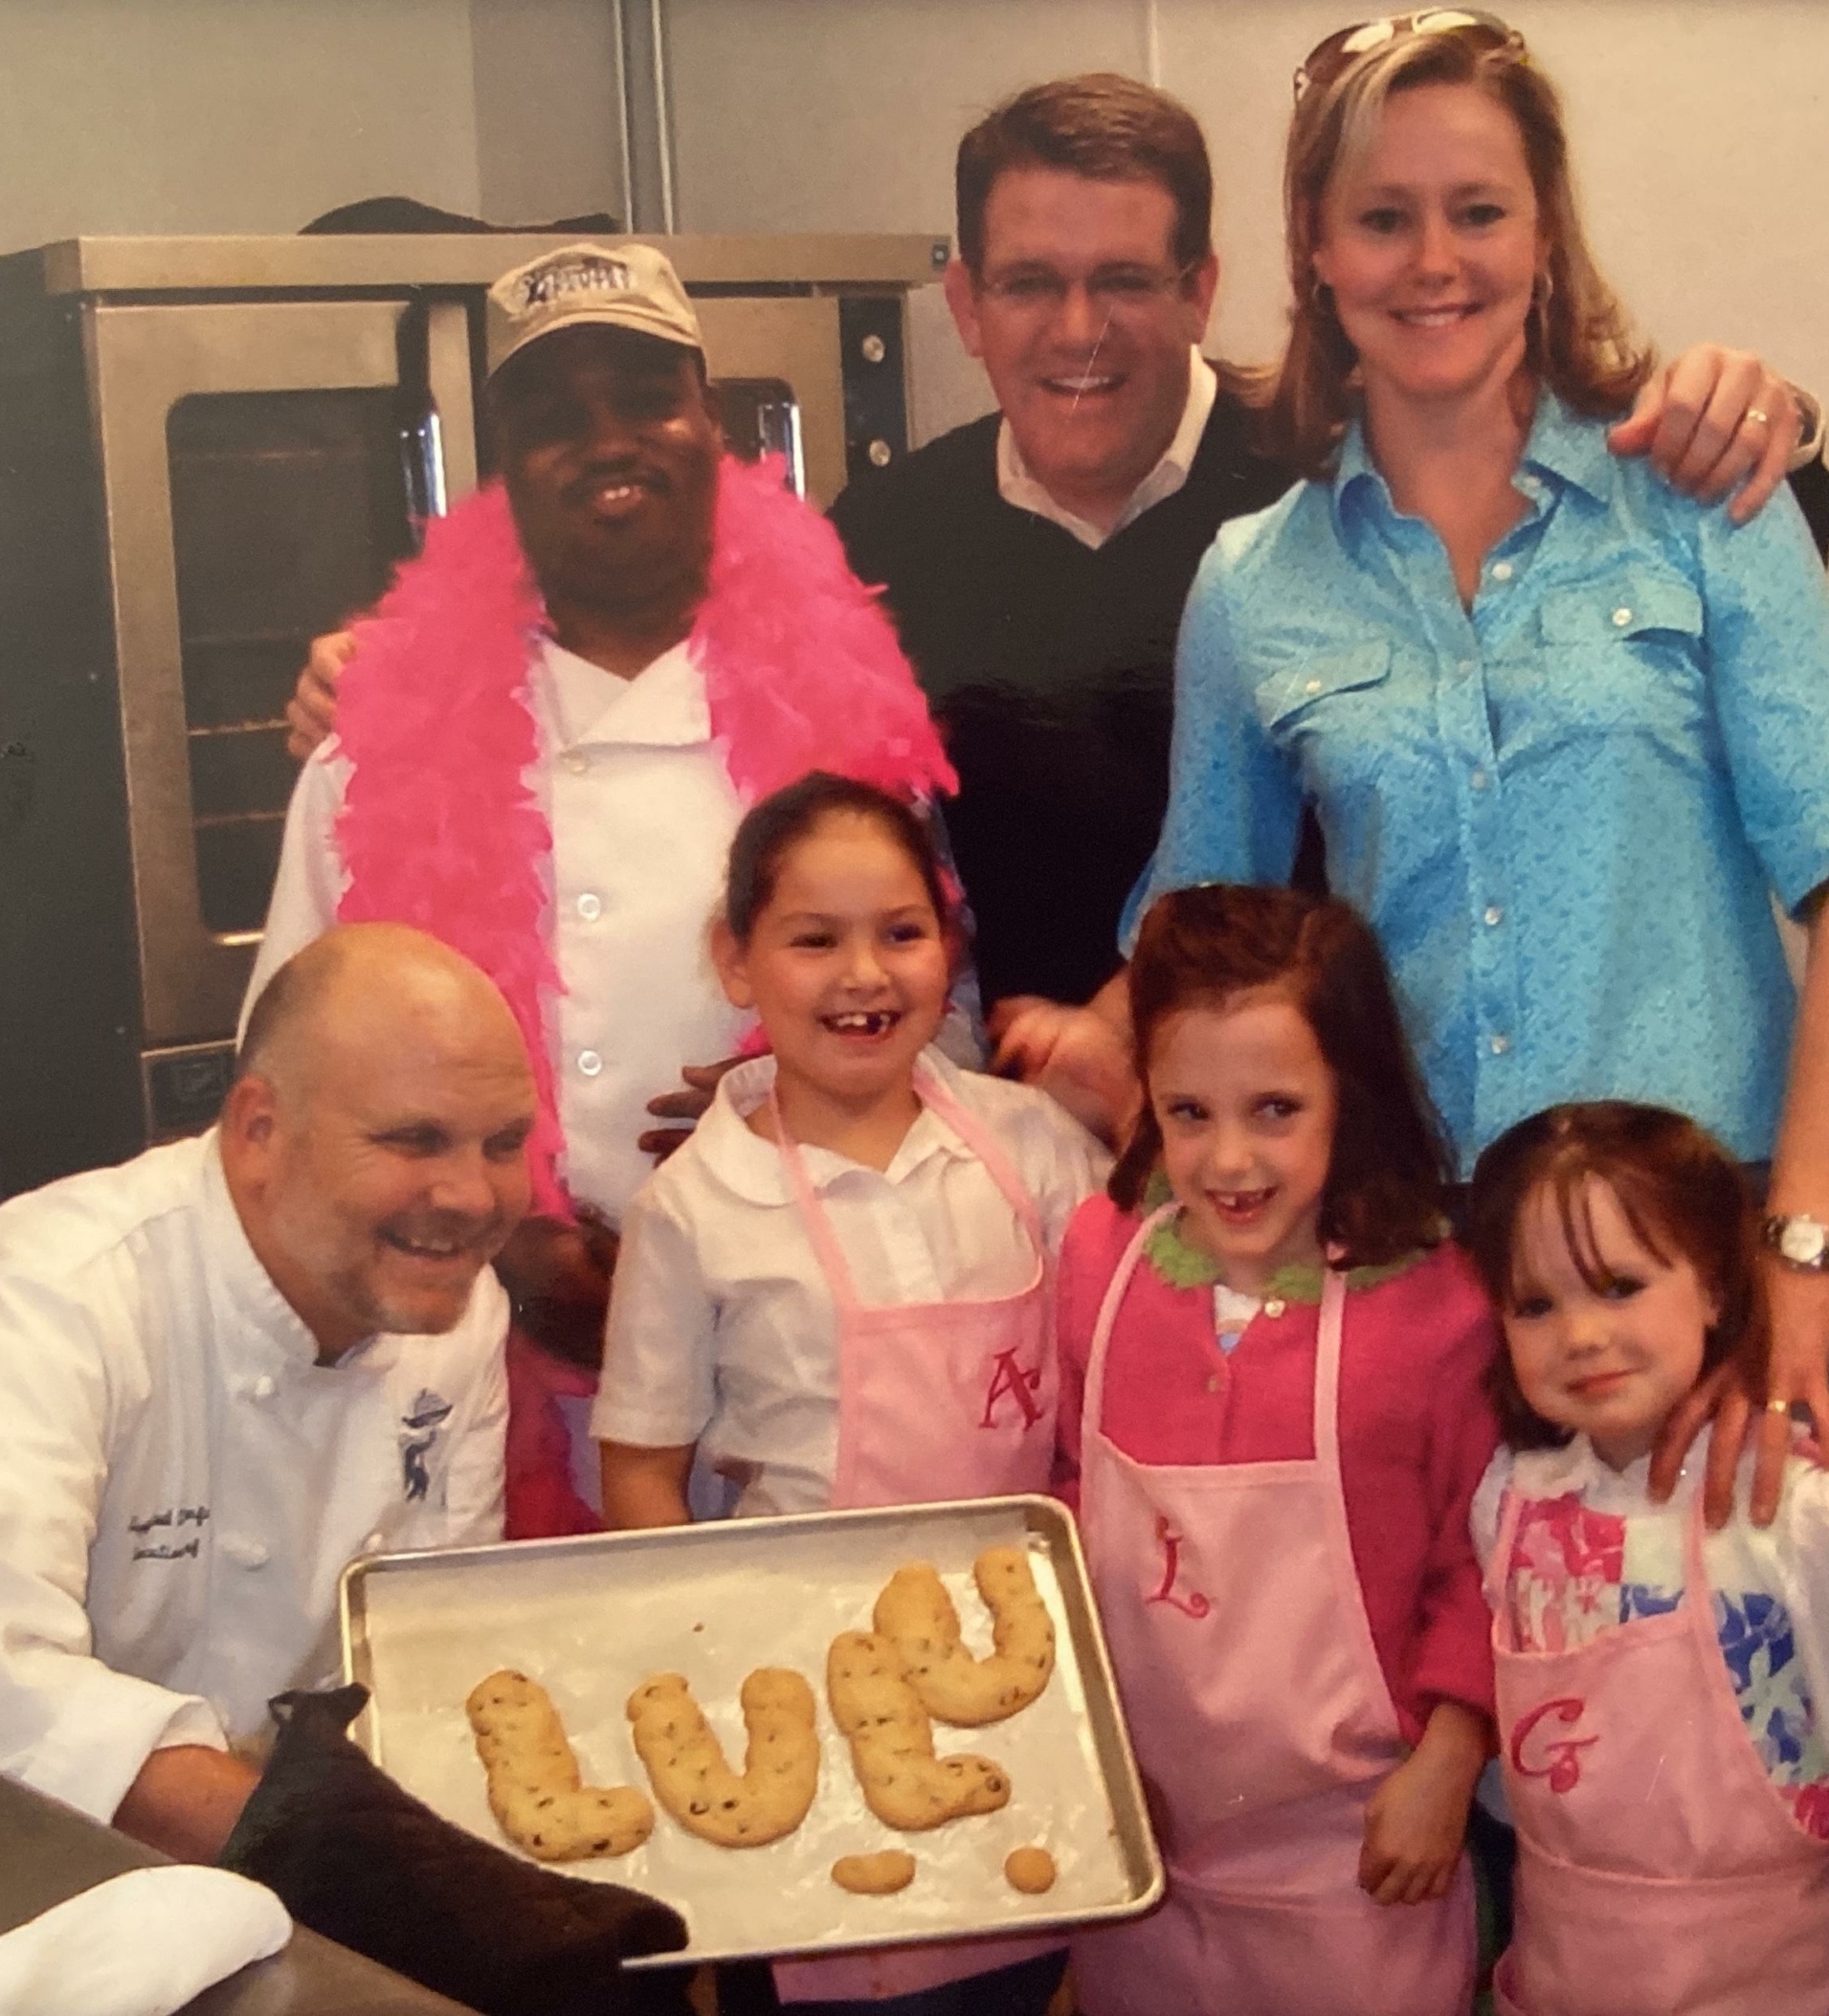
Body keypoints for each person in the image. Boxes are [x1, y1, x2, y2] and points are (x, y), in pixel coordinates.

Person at [284, 80, 1822, 1070]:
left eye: (1125, 282)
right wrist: (402, 655)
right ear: (961, 300)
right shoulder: (879, 542)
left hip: (1325, 1151)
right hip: (1007, 1145)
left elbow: (1673, 515)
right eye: (1028, 283)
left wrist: (1780, 420)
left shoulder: (1328, 481)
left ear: (1204, 288)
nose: (1075, 331)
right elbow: (641, 595)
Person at [1030, 12, 1829, 1527]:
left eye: (1478, 210)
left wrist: (1798, 1258)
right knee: (1457, 1732)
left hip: (1701, 1280)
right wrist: (983, 1072)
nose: (1433, 261)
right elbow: (1200, 950)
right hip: (1415, 1282)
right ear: (1316, 246)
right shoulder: (1256, 583)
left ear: (1546, 232)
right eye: (1383, 217)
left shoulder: (1703, 509)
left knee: (1720, 1736)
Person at [248, 243, 958, 1536]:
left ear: (715, 425)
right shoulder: (372, 749)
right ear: (501, 462)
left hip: (787, 1371)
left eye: (644, 395)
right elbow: (283, 1107)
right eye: (552, 415)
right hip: (466, 1367)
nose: (606, 440)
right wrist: (495, 1244)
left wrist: (782, 1128)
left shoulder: (848, 735)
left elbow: (934, 1048)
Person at [0, 925, 534, 1862]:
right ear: (259, 1131)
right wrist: (345, 1867)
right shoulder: (52, 1296)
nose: (474, 1196)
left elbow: (428, 1640)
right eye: (414, 1139)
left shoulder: (456, 1306)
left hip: (240, 1854)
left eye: (503, 1144)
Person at [593, 773, 1105, 2014]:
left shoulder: (1027, 1143)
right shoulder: (695, 1206)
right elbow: (641, 1466)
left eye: (901, 932)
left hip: (1020, 1671)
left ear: (951, 948)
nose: (863, 973)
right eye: (814, 939)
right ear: (736, 958)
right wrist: (716, 1664)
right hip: (800, 1689)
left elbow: (1112, 1365)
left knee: (1014, 1954)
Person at [1054, 885, 1501, 2016]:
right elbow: (1062, 1515)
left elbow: (1486, 1560)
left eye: (1275, 1109)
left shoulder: (1436, 1311)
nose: (1228, 1159)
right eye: (1188, 1112)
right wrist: (1089, 1754)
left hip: (1358, 1865)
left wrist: (1449, 1762)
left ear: (1349, 1096)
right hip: (1141, 1851)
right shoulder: (1101, 1263)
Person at [1463, 1101, 1829, 2016]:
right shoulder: (1512, 1501)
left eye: (1620, 1285)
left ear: (1715, 1286)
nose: (1581, 1335)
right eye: (1537, 1304)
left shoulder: (1806, 1523)